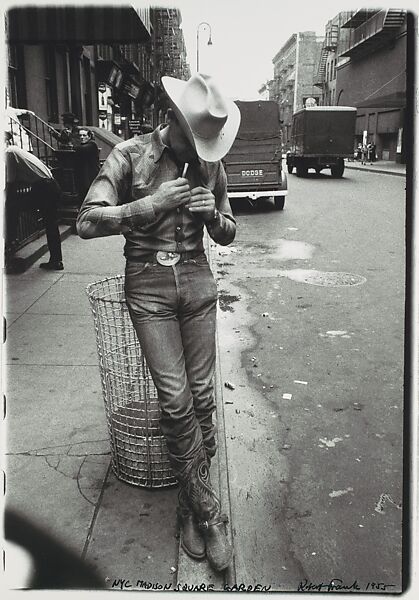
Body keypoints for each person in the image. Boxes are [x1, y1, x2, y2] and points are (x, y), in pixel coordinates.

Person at [76, 73, 241, 572]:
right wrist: (149, 205)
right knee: (175, 398)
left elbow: (230, 232)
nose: (203, 151)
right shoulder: (128, 155)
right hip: (147, 281)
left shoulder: (211, 166)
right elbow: (86, 220)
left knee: (205, 395)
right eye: (196, 140)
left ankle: (194, 503)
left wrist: (214, 217)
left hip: (197, 281)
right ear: (172, 120)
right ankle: (208, 513)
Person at [5, 132, 64, 271]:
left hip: (44, 188)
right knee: (51, 224)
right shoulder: (17, 152)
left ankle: (12, 241)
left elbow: (10, 180)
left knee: (12, 207)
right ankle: (56, 261)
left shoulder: (10, 152)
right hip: (49, 186)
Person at [74, 128, 100, 205]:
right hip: (83, 177)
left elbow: (81, 149)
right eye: (80, 135)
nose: (81, 137)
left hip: (91, 176)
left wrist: (73, 145)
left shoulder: (92, 144)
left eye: (84, 135)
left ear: (89, 137)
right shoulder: (83, 145)